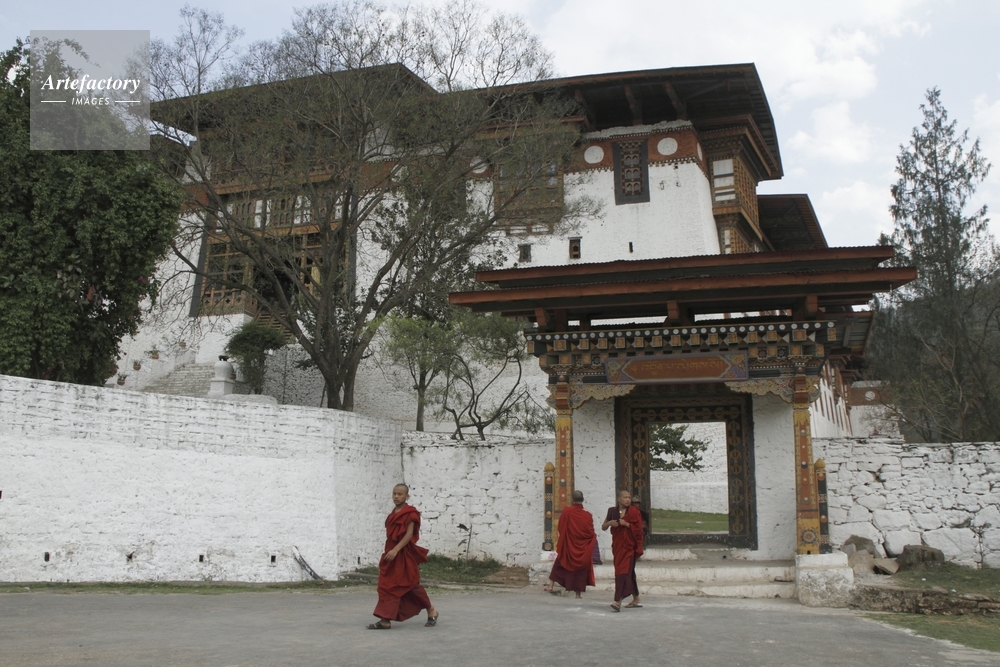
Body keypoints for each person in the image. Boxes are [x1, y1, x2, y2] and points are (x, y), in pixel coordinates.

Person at [368, 484, 439, 629]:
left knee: (411, 585)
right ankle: (385, 620)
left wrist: (396, 550)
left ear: (407, 496)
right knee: (386, 585)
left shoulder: (410, 513)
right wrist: (391, 550)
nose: (396, 496)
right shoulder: (392, 513)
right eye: (394, 493)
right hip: (390, 553)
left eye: (400, 494)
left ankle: (431, 609)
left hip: (403, 553)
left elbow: (409, 534)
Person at [543, 489, 597, 598]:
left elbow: (561, 527)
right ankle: (578, 594)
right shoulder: (587, 515)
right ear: (583, 499)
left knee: (559, 563)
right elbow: (590, 532)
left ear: (572, 499)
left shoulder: (567, 511)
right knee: (581, 570)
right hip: (582, 547)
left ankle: (550, 586)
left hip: (569, 544)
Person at [601, 489, 644, 612]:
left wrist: (627, 524)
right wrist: (609, 523)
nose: (627, 500)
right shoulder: (612, 511)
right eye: (625, 497)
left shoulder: (634, 511)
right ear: (619, 499)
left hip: (630, 548)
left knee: (623, 573)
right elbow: (603, 527)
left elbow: (639, 529)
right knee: (628, 573)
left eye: (629, 498)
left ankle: (618, 601)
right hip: (618, 547)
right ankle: (636, 598)